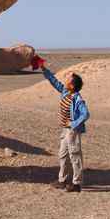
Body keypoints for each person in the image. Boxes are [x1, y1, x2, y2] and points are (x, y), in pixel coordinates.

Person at [35, 56, 90, 192]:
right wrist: (43, 68)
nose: (65, 80)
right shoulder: (65, 91)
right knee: (63, 154)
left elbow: (86, 114)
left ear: (72, 85)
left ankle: (76, 184)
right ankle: (62, 180)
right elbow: (54, 81)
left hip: (72, 131)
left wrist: (74, 124)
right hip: (65, 130)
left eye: (68, 79)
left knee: (75, 155)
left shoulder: (77, 99)